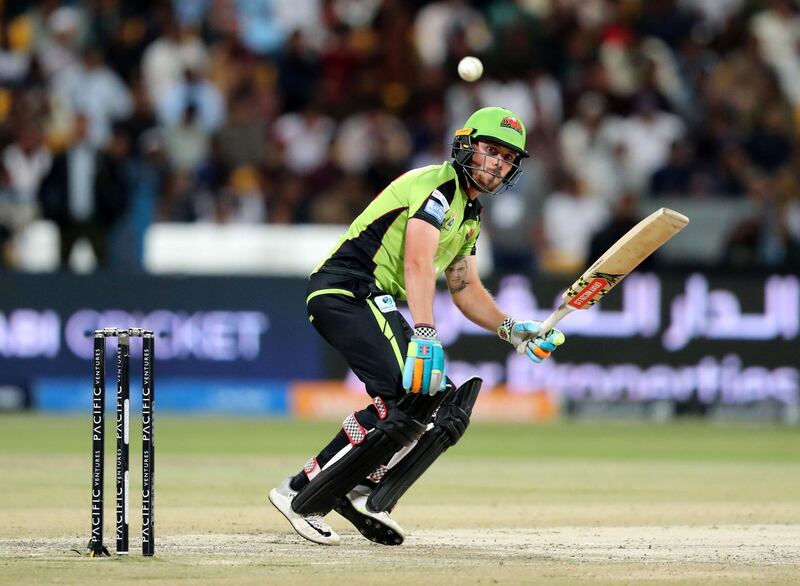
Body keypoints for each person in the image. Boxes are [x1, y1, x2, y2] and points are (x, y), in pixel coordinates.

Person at [268, 107, 566, 546]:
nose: (497, 164)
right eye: (490, 150)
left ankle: (361, 489)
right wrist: (424, 332)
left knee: (444, 408)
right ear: (465, 145)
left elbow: (464, 289)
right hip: (347, 289)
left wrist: (512, 329)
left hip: (371, 297)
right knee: (409, 396)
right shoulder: (439, 186)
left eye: (507, 159)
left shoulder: (469, 215)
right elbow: (418, 260)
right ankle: (301, 492)